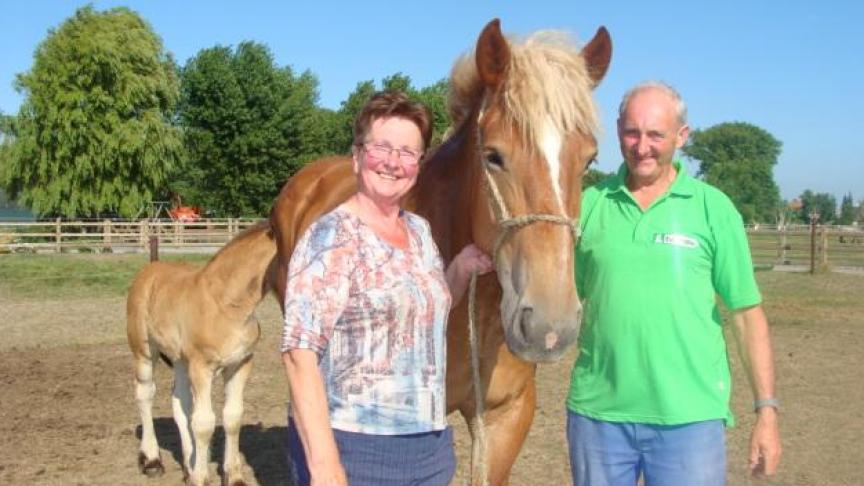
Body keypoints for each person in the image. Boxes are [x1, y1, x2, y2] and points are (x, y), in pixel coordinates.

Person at [566, 81, 782, 485]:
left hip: (690, 420)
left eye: (656, 135)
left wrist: (766, 412)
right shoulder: (588, 205)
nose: (641, 146)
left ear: (682, 136)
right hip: (598, 417)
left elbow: (747, 316)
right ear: (617, 130)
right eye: (632, 132)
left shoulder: (712, 209)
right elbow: (561, 297)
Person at [280, 91, 493, 486]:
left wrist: (459, 269)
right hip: (354, 447)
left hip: (429, 448)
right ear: (358, 155)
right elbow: (298, 354)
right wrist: (325, 466)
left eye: (409, 152)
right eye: (382, 147)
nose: (394, 161)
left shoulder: (418, 231)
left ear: (419, 165)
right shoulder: (330, 236)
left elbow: (427, 311)